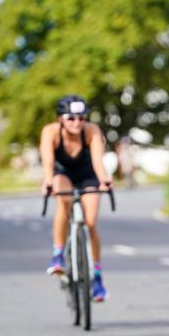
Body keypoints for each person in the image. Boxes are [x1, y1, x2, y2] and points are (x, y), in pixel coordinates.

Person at [39, 95, 113, 302]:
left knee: (90, 223)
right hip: (62, 174)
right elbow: (47, 163)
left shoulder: (92, 130)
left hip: (87, 174)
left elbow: (98, 162)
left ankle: (97, 277)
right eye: (71, 118)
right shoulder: (50, 132)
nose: (77, 122)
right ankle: (58, 254)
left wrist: (105, 180)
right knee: (64, 202)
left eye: (81, 118)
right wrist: (47, 181)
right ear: (60, 119)